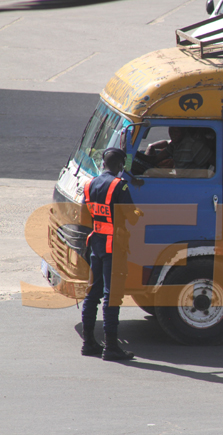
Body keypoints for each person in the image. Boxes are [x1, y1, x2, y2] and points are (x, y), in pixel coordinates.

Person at [81, 147, 141, 361]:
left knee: (93, 293)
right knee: (111, 295)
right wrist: (137, 212)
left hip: (95, 244)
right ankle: (111, 347)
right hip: (113, 246)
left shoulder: (89, 185)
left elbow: (84, 216)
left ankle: (88, 343)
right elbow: (132, 217)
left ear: (103, 163)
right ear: (119, 166)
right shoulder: (120, 185)